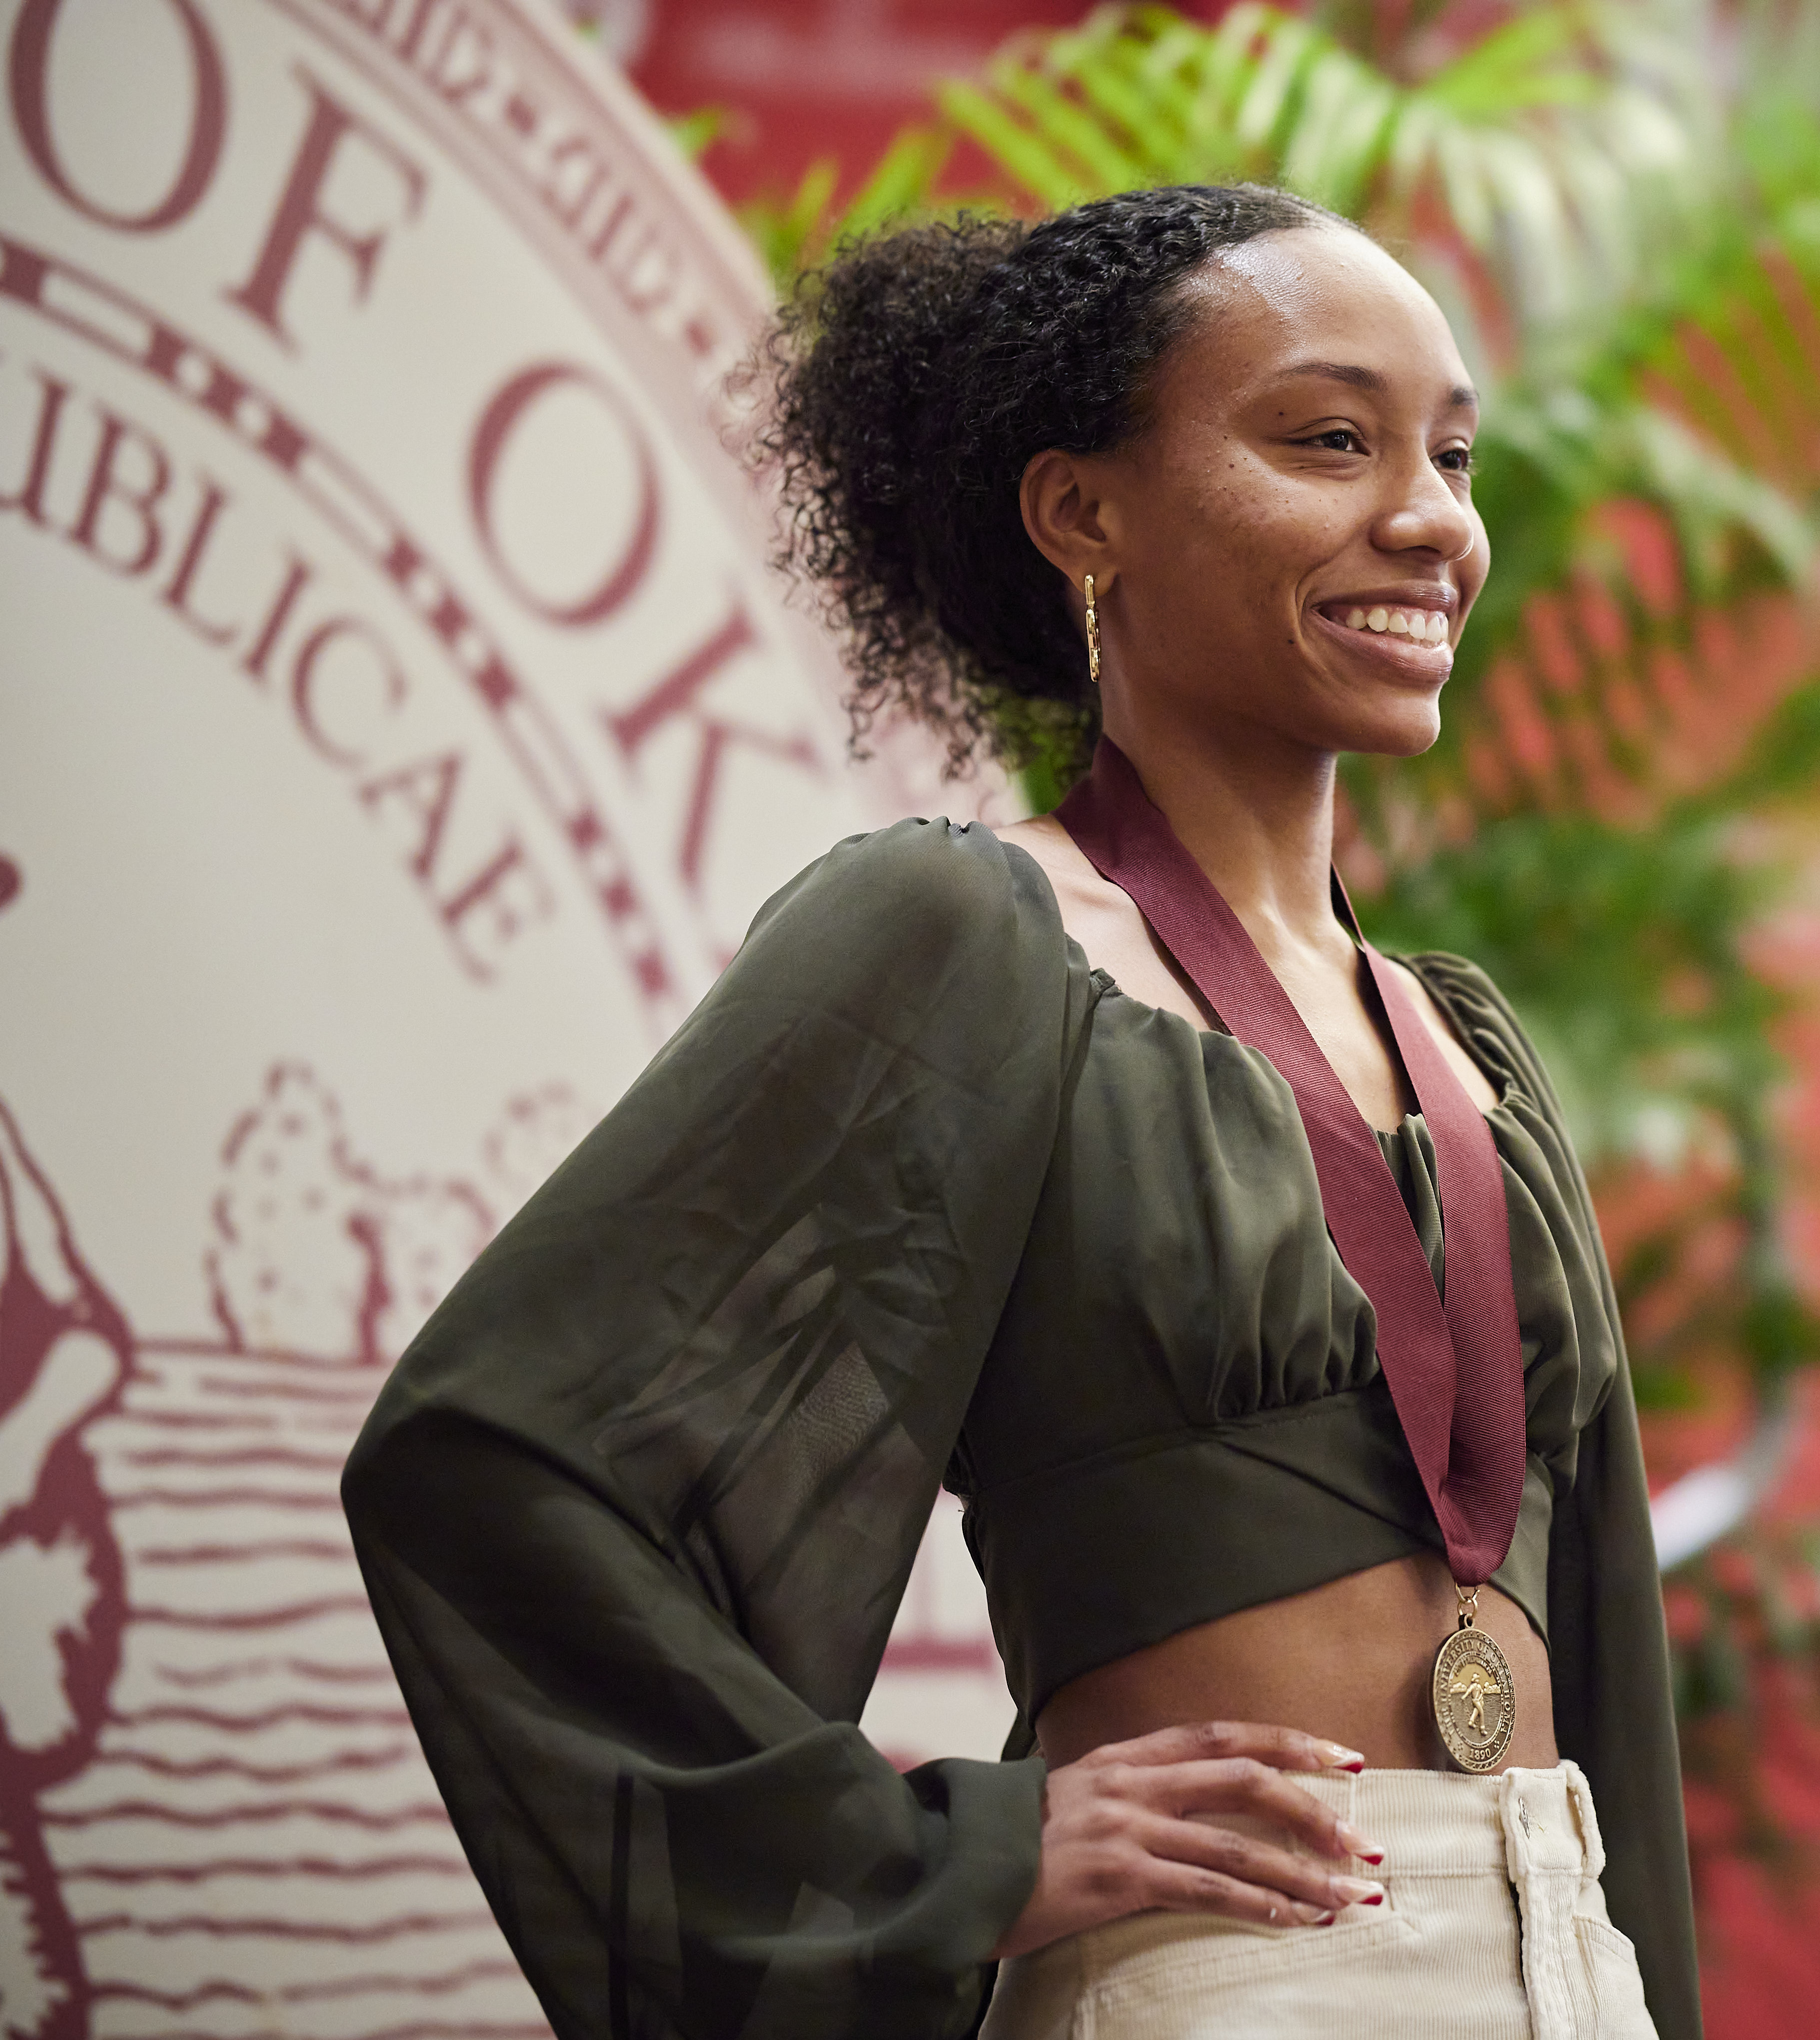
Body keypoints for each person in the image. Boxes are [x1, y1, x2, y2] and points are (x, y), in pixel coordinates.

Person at [342, 183, 1698, 2040]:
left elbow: (1606, 1642)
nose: (1429, 521)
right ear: (1080, 512)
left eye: (1450, 457)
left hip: (1564, 1954)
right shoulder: (961, 930)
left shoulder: (1470, 1046)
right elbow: (490, 1462)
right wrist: (948, 1858)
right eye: (1329, 440)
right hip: (1238, 1974)